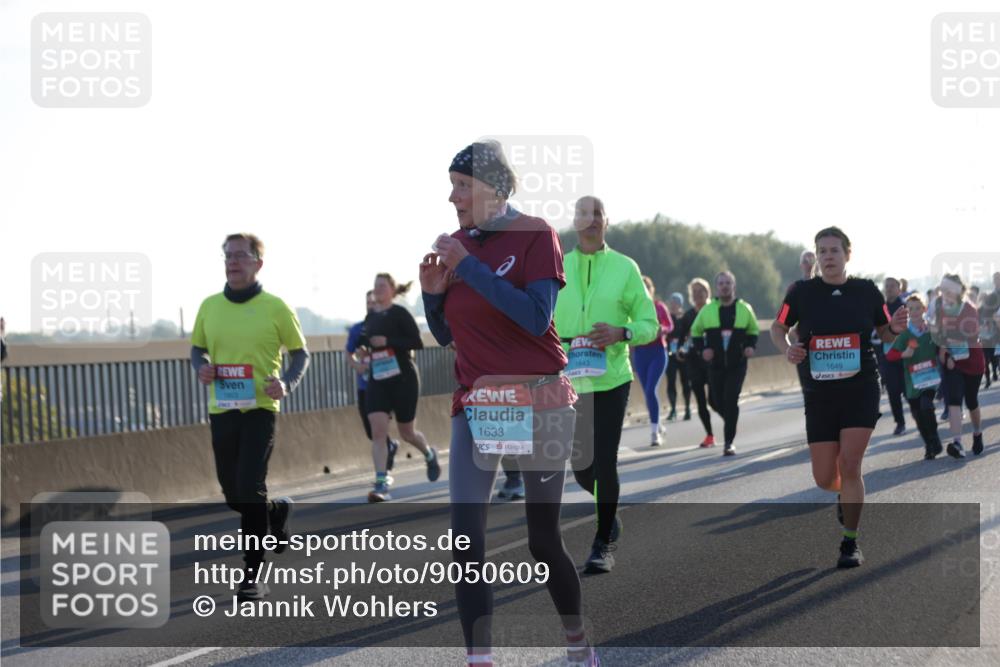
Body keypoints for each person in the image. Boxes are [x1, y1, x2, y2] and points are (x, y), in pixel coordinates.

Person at [423, 140, 597, 666]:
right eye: (451, 186)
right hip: (479, 403)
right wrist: (434, 294)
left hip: (540, 397)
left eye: (462, 186)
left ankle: (577, 643)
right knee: (465, 542)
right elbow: (449, 335)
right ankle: (480, 660)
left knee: (542, 541)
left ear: (496, 190)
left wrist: (470, 268)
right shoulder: (455, 244)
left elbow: (535, 315)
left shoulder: (535, 235)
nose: (451, 197)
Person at [771, 226, 908, 569]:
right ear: (816, 256)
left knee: (850, 464)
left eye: (834, 250)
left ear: (848, 254)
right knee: (823, 476)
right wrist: (787, 349)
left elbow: (884, 332)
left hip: (860, 386)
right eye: (822, 251)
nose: (828, 257)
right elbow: (778, 327)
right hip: (819, 392)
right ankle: (842, 496)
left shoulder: (866, 291)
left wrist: (896, 329)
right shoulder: (800, 293)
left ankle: (850, 542)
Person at [190, 233, 310, 600]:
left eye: (241, 255)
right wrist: (203, 367)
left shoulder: (276, 307)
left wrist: (286, 384)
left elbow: (300, 355)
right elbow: (197, 350)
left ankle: (252, 574)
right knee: (233, 493)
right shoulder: (209, 306)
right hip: (222, 409)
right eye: (227, 255)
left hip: (260, 409)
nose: (232, 261)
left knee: (250, 487)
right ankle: (276, 511)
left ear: (258, 263)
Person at [555, 195, 658, 574]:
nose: (591, 219)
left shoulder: (624, 267)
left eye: (597, 213)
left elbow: (651, 325)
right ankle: (609, 510)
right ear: (575, 221)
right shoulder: (557, 267)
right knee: (582, 468)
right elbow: (540, 319)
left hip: (612, 377)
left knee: (605, 459)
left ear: (606, 222)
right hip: (570, 381)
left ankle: (603, 543)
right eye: (583, 212)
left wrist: (621, 331)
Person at [360, 273, 440, 502]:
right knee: (378, 431)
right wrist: (365, 351)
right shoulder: (370, 317)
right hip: (379, 378)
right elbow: (366, 343)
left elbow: (417, 342)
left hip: (403, 378)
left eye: (382, 286)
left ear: (393, 290)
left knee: (407, 433)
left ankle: (428, 453)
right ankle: (381, 483)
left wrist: (388, 342)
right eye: (375, 286)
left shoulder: (400, 313)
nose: (378, 289)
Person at [689, 271, 759, 456]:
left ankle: (729, 442)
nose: (724, 286)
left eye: (728, 283)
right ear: (716, 287)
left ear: (733, 286)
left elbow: (753, 330)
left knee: (730, 398)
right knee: (714, 400)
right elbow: (695, 331)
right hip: (716, 365)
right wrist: (702, 349)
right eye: (721, 283)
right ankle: (731, 420)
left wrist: (750, 346)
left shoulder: (744, 309)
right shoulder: (708, 309)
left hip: (737, 364)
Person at [346, 291, 400, 478]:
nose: (370, 305)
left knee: (378, 429)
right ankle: (390, 446)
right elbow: (348, 352)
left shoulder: (389, 327)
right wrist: (357, 365)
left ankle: (382, 474)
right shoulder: (358, 329)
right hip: (365, 385)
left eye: (374, 302)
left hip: (386, 385)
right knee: (371, 431)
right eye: (367, 302)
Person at [932, 274, 987, 457]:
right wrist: (943, 351)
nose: (944, 293)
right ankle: (957, 443)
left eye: (948, 289)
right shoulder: (941, 310)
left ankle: (977, 433)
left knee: (971, 401)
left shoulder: (969, 308)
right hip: (952, 363)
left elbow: (969, 333)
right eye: (942, 289)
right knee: (954, 400)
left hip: (972, 361)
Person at [886, 294, 944, 459]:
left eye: (918, 308)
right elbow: (890, 355)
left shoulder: (932, 329)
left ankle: (935, 438)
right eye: (911, 309)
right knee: (917, 414)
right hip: (912, 381)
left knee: (927, 405)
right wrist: (904, 353)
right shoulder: (905, 333)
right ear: (907, 311)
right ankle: (928, 445)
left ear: (924, 309)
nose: (915, 311)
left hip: (931, 378)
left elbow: (942, 346)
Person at [633, 276, 674, 446]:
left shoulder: (659, 307)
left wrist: (662, 329)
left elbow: (670, 325)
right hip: (640, 353)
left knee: (651, 390)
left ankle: (654, 432)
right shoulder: (634, 309)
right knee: (648, 393)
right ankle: (658, 424)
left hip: (657, 352)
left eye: (646, 288)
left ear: (651, 290)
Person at [676, 278, 716, 447]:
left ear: (708, 293)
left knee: (714, 400)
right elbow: (680, 340)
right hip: (693, 363)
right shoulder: (687, 317)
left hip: (713, 362)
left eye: (702, 291)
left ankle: (730, 421)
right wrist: (679, 352)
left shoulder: (715, 311)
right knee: (700, 400)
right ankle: (709, 435)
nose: (698, 294)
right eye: (695, 292)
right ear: (691, 295)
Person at [873, 277, 908, 436]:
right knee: (893, 392)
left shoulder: (906, 306)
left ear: (899, 289)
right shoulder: (881, 308)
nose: (889, 288)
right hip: (887, 356)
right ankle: (900, 422)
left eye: (892, 286)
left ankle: (921, 417)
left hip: (907, 355)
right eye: (886, 286)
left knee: (910, 393)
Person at [664, 292, 692, 422]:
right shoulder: (667, 317)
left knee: (685, 381)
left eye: (676, 302)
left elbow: (690, 335)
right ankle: (673, 409)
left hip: (682, 354)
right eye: (672, 302)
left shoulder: (684, 318)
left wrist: (684, 349)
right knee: (671, 382)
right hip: (670, 354)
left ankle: (687, 408)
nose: (673, 304)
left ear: (680, 304)